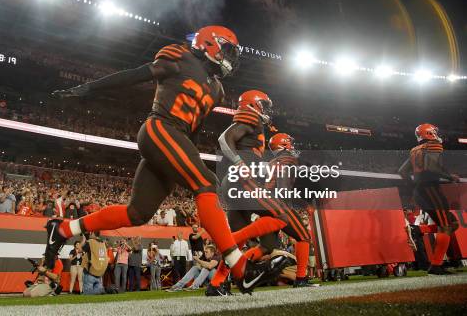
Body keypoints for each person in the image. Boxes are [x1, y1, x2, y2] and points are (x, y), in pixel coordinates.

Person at [46, 26, 278, 293]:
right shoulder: (181, 56)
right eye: (226, 50)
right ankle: (240, 269)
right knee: (207, 183)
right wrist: (88, 88)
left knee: (137, 213)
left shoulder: (218, 90)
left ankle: (63, 229)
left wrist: (186, 152)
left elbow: (194, 127)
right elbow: (136, 75)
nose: (230, 58)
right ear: (209, 44)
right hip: (161, 128)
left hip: (176, 139)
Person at [209, 126, 311, 294]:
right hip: (274, 202)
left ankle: (219, 280)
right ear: (284, 145)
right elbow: (284, 188)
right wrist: (301, 205)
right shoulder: (286, 160)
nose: (292, 147)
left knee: (266, 246)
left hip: (257, 200)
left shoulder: (270, 162)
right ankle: (301, 279)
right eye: (290, 143)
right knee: (304, 237)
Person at [398, 123, 461, 275]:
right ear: (429, 133)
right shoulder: (433, 146)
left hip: (420, 191)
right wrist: (449, 177)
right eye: (434, 132)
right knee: (446, 225)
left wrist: (414, 184)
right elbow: (432, 168)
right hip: (431, 190)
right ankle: (436, 265)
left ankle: (418, 230)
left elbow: (402, 171)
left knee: (451, 223)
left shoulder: (414, 150)